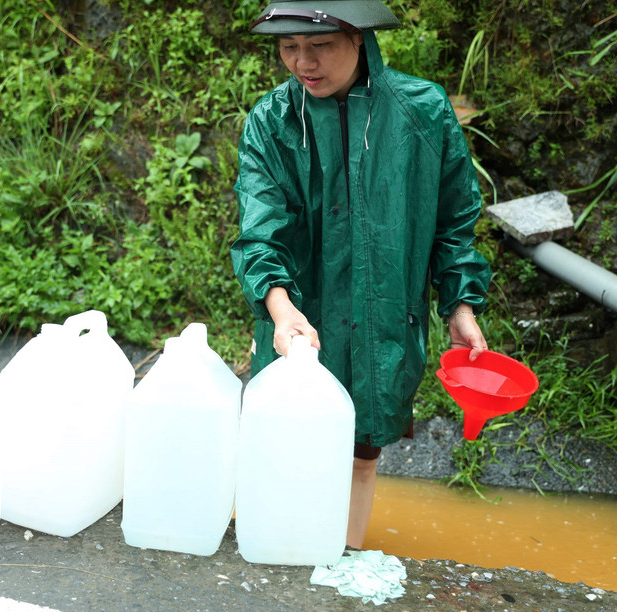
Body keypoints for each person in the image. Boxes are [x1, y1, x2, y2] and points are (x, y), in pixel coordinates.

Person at [231, 0, 492, 549]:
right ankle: (278, 556)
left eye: (319, 46)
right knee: (285, 434)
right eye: (288, 47)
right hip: (300, 315)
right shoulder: (272, 122)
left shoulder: (423, 110)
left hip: (384, 313)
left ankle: (342, 554)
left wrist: (460, 308)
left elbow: (454, 220)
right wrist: (281, 309)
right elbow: (261, 229)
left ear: (359, 39)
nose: (303, 62)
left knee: (362, 447)